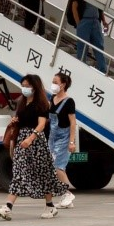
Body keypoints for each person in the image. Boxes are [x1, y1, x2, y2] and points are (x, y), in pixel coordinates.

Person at [0, 75, 67, 220]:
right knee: (19, 171)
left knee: (44, 173)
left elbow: (41, 124)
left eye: (27, 85)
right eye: (23, 85)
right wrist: (15, 121)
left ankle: (50, 206)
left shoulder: (41, 104)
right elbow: (22, 121)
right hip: (22, 141)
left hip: (36, 142)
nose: (24, 88)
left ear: (35, 86)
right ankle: (8, 207)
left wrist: (31, 138)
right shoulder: (22, 103)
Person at [48, 73, 78, 208]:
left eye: (55, 82)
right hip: (52, 138)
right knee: (53, 167)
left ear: (63, 84)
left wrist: (71, 142)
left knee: (58, 166)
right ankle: (66, 200)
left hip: (64, 137)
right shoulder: (52, 98)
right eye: (52, 81)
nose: (53, 84)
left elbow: (73, 122)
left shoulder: (69, 101)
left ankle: (67, 193)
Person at [72, 0, 108, 73]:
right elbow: (74, 6)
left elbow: (100, 9)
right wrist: (79, 24)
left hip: (96, 21)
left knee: (99, 46)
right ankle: (81, 66)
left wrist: (104, 21)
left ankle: (103, 69)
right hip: (85, 20)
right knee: (83, 46)